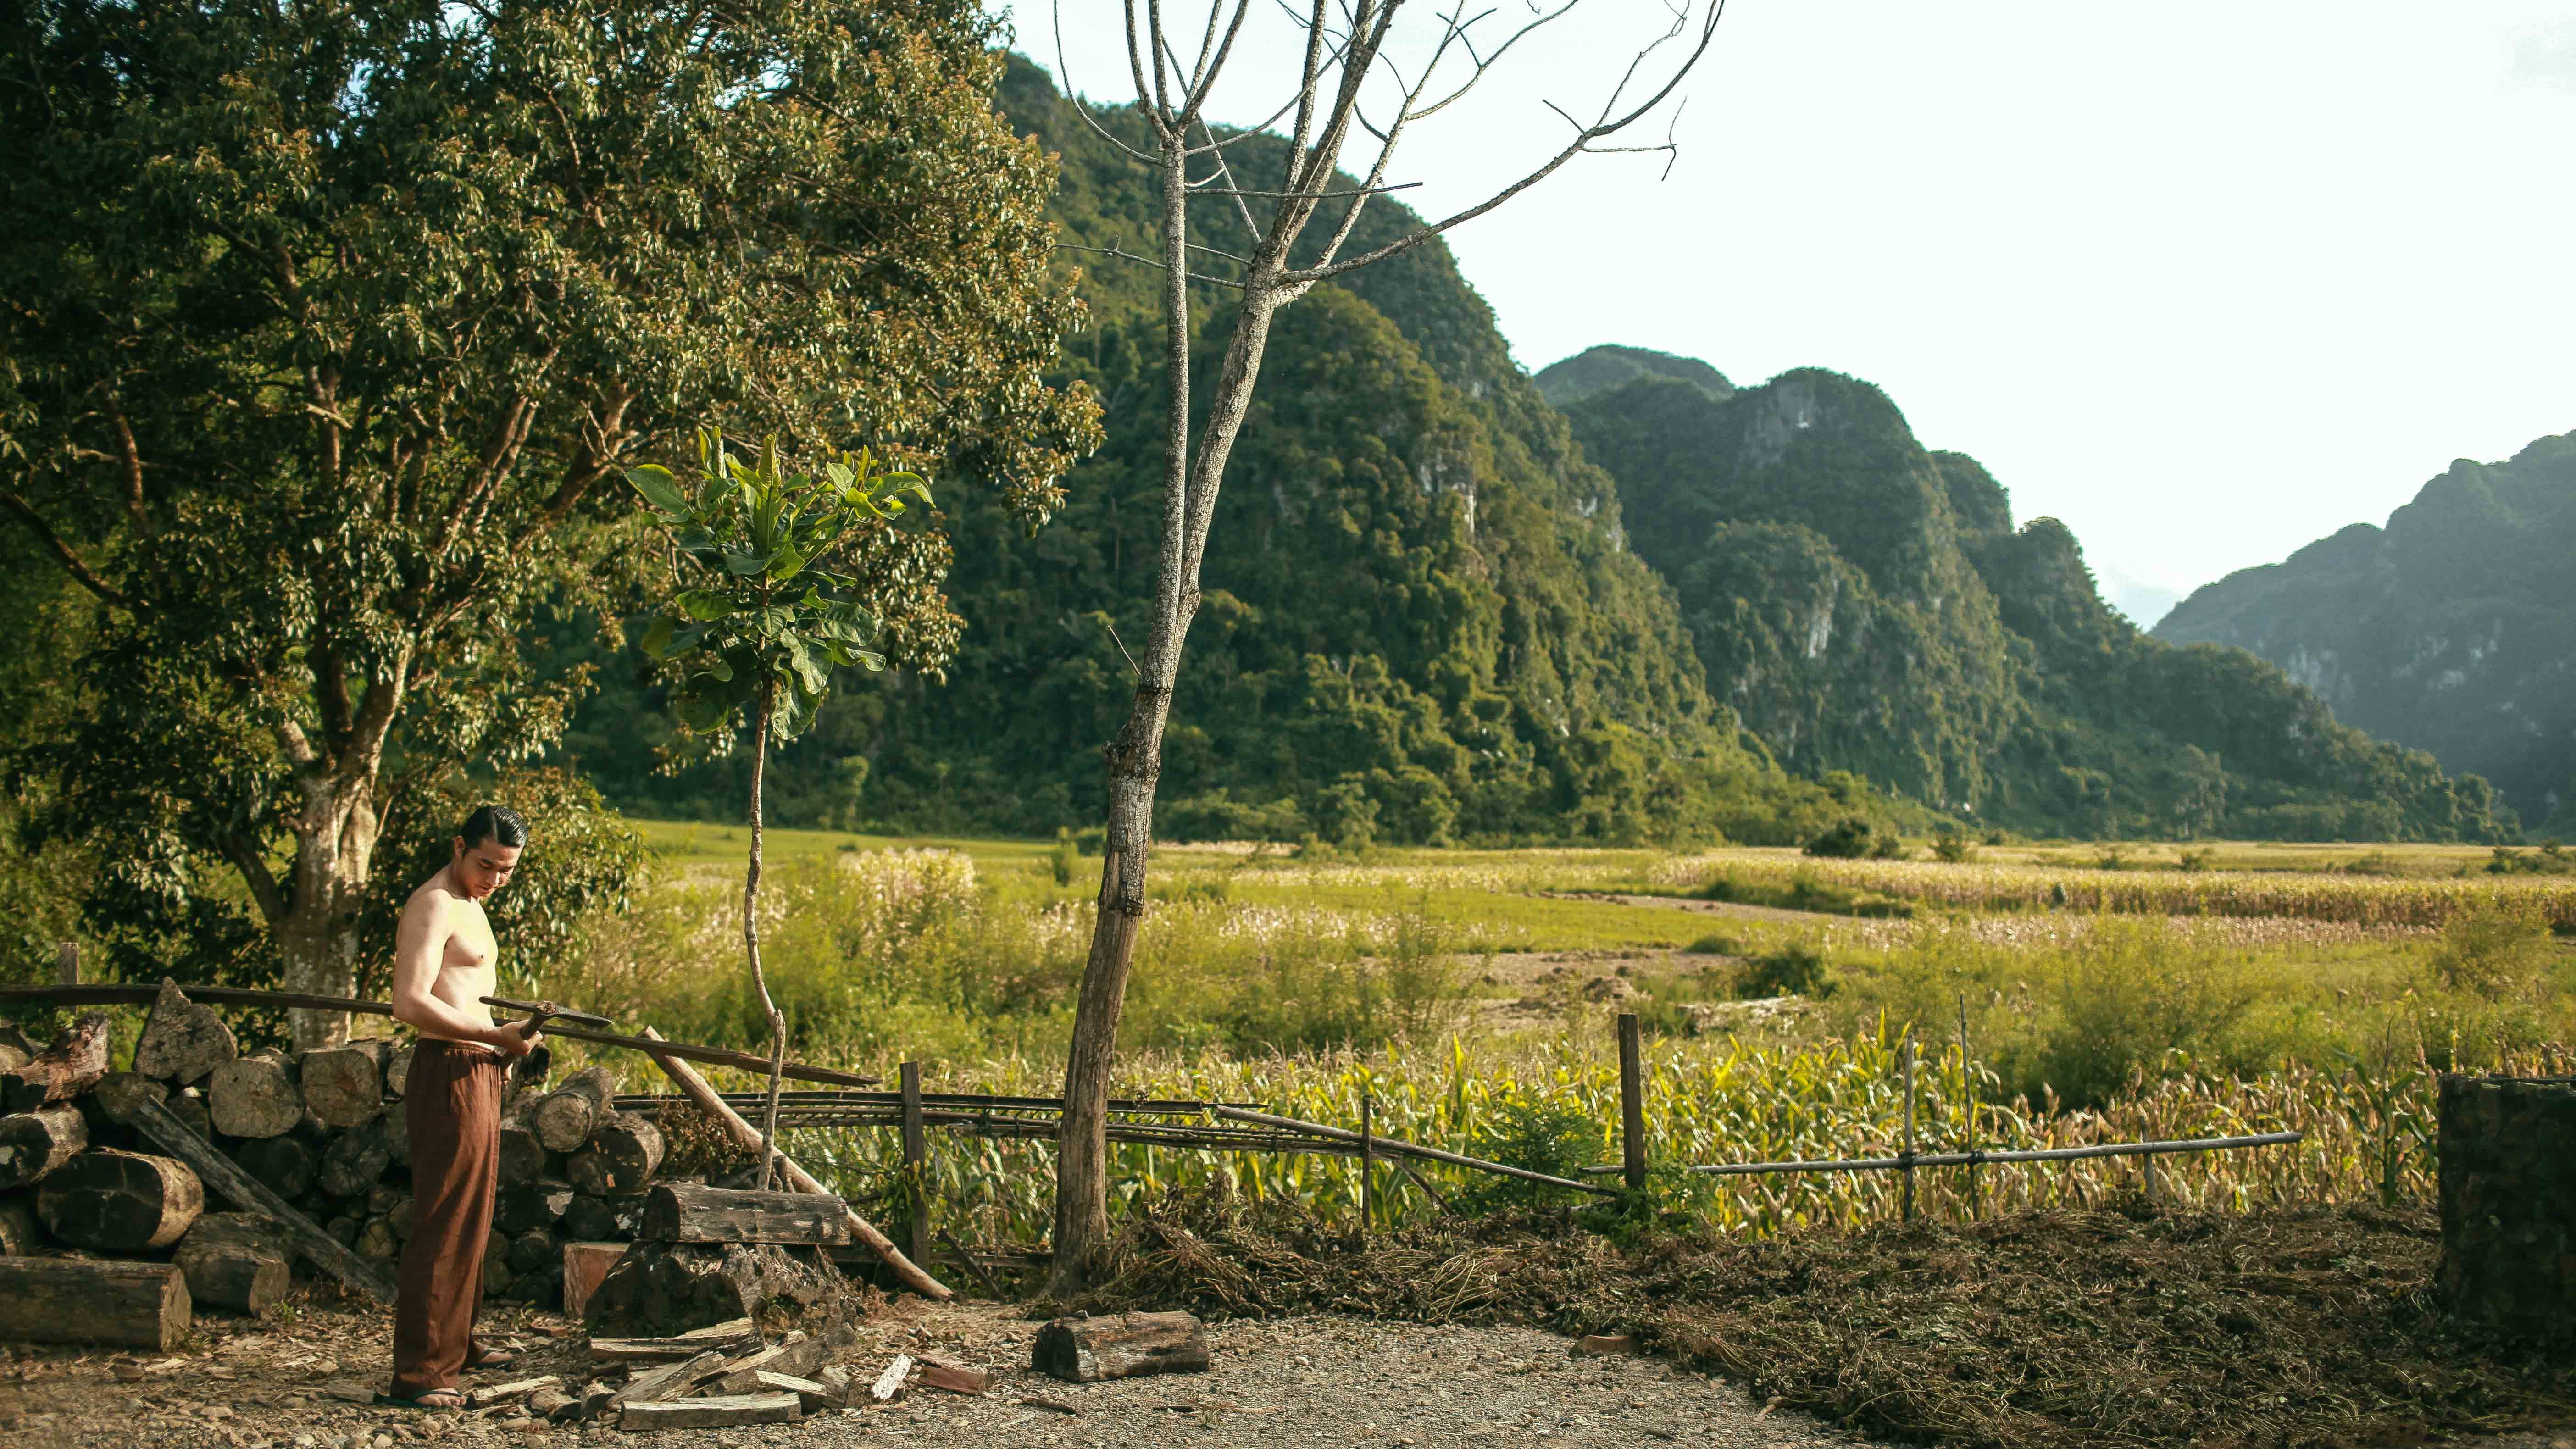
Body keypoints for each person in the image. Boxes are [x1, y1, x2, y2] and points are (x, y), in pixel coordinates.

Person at [381, 804, 544, 1410]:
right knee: (445, 1218)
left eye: (506, 871)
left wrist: (511, 1034)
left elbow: (466, 999)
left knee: (473, 1216)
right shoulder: (434, 904)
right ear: (458, 846)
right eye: (486, 865)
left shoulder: (472, 907)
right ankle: (422, 1373)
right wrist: (494, 1037)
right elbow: (409, 1002)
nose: (495, 880)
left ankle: (459, 1342)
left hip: (478, 1066)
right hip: (447, 1069)